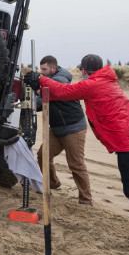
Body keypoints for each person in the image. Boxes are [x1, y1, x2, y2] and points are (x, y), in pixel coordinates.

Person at [24, 54, 129, 255]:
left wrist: (38, 79)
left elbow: (63, 91)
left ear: (84, 72)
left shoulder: (94, 84)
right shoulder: (106, 81)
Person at [34, 55, 92, 206]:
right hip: (57, 128)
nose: (42, 72)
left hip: (73, 129)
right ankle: (53, 183)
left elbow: (54, 88)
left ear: (53, 68)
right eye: (40, 69)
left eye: (44, 69)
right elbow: (41, 103)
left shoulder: (61, 78)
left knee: (76, 164)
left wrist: (39, 86)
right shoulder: (48, 81)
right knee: (43, 155)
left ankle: (86, 200)